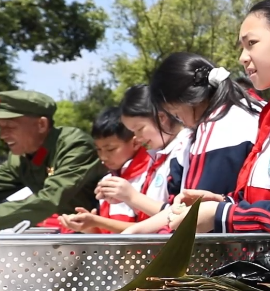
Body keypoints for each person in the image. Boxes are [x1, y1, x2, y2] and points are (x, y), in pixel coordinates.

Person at [150, 0, 270, 250]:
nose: (242, 57)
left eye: (251, 44)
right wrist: (223, 202)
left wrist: (222, 215)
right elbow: (267, 200)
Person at [123, 53, 261, 234]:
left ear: (187, 100)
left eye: (175, 113)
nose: (179, 120)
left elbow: (196, 213)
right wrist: (136, 231)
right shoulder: (252, 109)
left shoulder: (219, 126)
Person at [0, 90, 105, 229]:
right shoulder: (20, 157)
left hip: (110, 232)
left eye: (10, 126)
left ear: (41, 125)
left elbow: (49, 200)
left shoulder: (75, 146)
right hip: (79, 231)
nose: (2, 135)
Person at [58, 107, 153, 233]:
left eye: (110, 149)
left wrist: (97, 221)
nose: (103, 157)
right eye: (98, 149)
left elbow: (154, 229)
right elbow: (107, 236)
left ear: (135, 143)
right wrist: (89, 227)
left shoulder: (152, 173)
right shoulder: (107, 179)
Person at [112, 84, 193, 219]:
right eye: (133, 132)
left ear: (161, 118)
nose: (137, 137)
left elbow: (182, 214)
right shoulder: (157, 154)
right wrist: (124, 197)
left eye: (139, 129)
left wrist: (133, 197)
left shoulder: (186, 149)